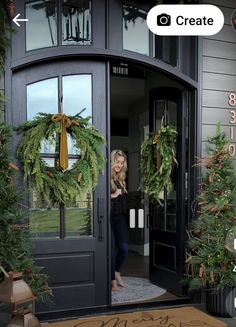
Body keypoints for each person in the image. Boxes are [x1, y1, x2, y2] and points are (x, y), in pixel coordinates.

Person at [110, 149, 129, 291]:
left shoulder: (121, 178)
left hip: (120, 217)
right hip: (108, 218)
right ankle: (112, 281)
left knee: (124, 249)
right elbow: (100, 197)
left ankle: (117, 271)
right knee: (110, 250)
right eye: (117, 162)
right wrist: (114, 194)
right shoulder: (107, 178)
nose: (120, 165)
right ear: (112, 161)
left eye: (122, 163)